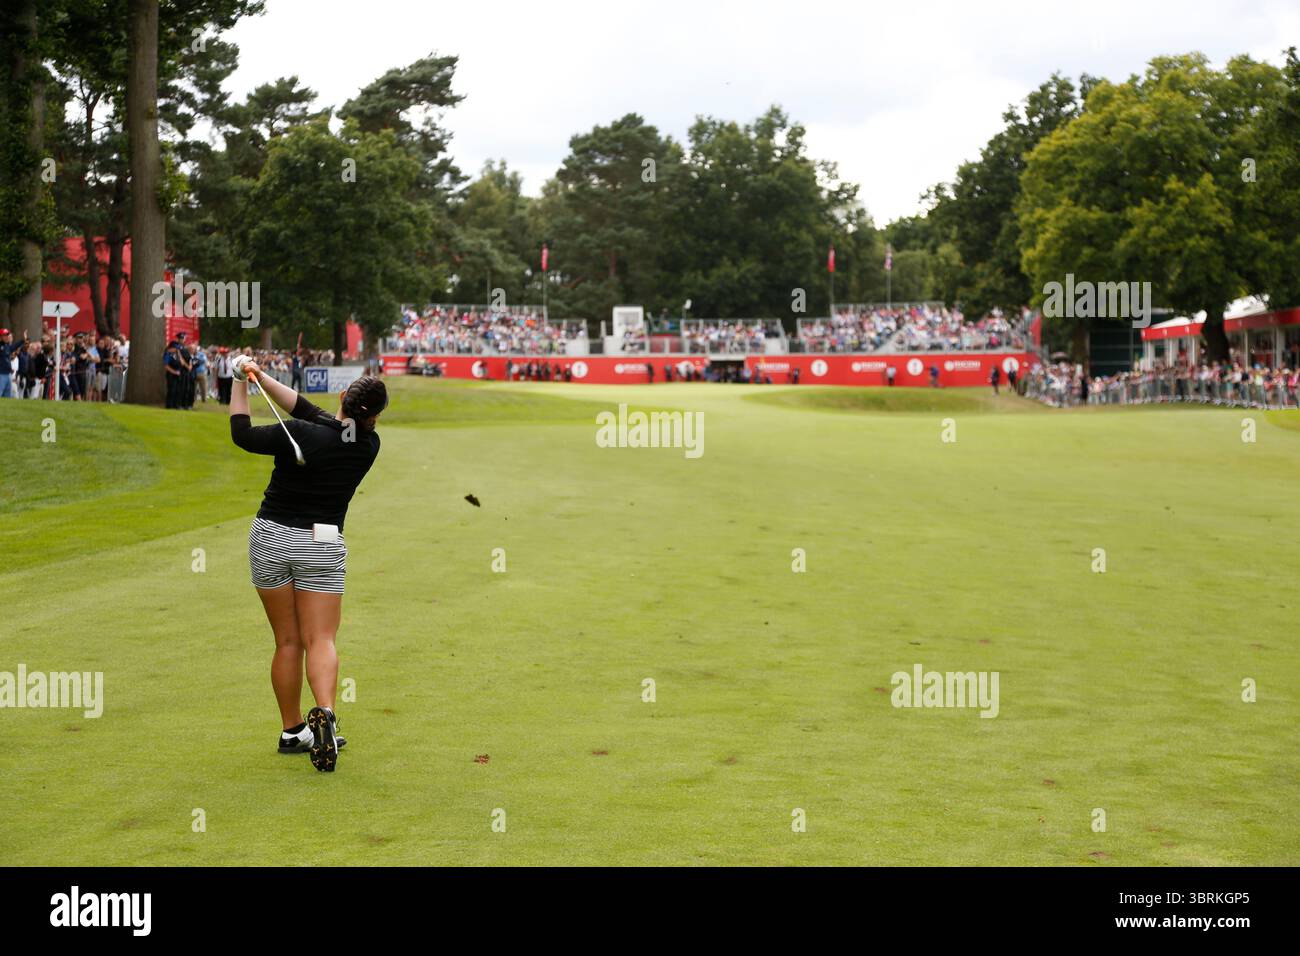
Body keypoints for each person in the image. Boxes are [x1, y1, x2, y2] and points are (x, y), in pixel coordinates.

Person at [229, 360, 387, 773]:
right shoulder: (367, 445)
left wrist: (238, 384)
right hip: (321, 544)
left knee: (288, 641)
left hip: (271, 538)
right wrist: (260, 377)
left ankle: (291, 730)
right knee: (320, 640)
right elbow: (306, 410)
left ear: (342, 398)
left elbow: (243, 435)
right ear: (373, 416)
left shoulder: (300, 434)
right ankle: (326, 717)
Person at [0, 328, 27, 398]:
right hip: (1, 374)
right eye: (5, 335)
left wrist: (23, 340)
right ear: (1, 337)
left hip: (8, 374)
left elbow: (14, 346)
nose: (7, 337)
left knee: (7, 396)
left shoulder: (7, 346)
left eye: (7, 335)